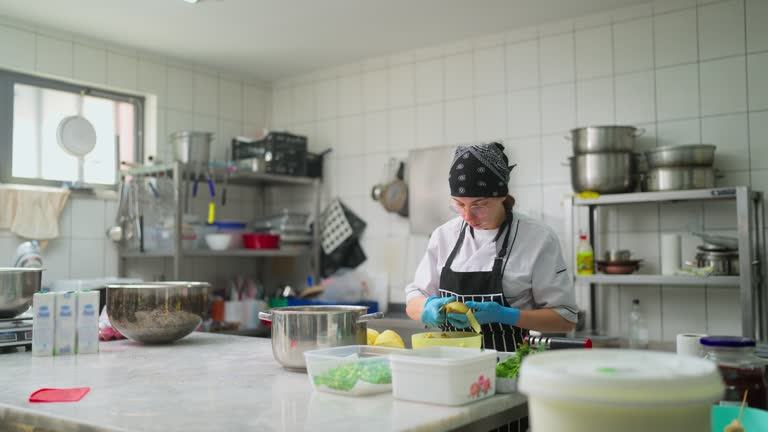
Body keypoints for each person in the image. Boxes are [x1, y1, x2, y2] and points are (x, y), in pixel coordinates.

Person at [405, 142, 578, 352]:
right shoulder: (443, 236)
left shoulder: (537, 239)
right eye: (459, 204)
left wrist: (507, 315)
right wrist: (427, 308)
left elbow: (565, 319)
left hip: (509, 365)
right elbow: (413, 301)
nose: (468, 216)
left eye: (479, 205)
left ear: (502, 196)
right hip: (449, 364)